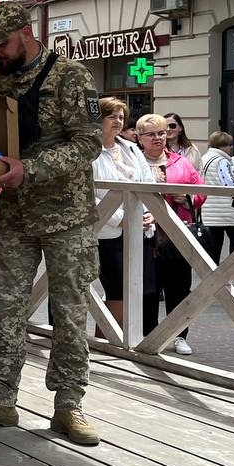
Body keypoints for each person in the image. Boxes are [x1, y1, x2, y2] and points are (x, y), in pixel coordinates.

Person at [0, 3, 102, 446]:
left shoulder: (71, 75)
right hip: (16, 213)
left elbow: (89, 143)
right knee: (7, 308)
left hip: (67, 215)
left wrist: (30, 169)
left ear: (26, 32)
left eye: (1, 43)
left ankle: (68, 406)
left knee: (70, 311)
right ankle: (0, 398)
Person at [136, 114, 205, 356]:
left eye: (161, 133)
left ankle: (179, 335)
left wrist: (187, 198)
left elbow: (200, 191)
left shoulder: (181, 162)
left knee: (178, 287)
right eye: (151, 134)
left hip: (177, 232)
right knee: (149, 289)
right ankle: (150, 335)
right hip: (145, 234)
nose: (158, 138)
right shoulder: (134, 162)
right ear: (140, 138)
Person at [91, 97, 155, 331]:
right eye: (112, 117)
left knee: (140, 289)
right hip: (107, 231)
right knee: (117, 290)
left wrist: (150, 214)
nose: (118, 122)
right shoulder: (89, 150)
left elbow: (147, 184)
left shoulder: (131, 149)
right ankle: (105, 343)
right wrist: (121, 218)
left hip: (140, 230)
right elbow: (87, 193)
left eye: (121, 117)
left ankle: (122, 343)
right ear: (98, 119)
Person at [198, 131, 234, 263]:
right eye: (230, 145)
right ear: (223, 146)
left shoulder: (204, 158)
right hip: (227, 211)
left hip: (209, 210)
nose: (231, 148)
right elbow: (229, 183)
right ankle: (232, 272)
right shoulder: (221, 161)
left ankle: (213, 277)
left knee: (214, 248)